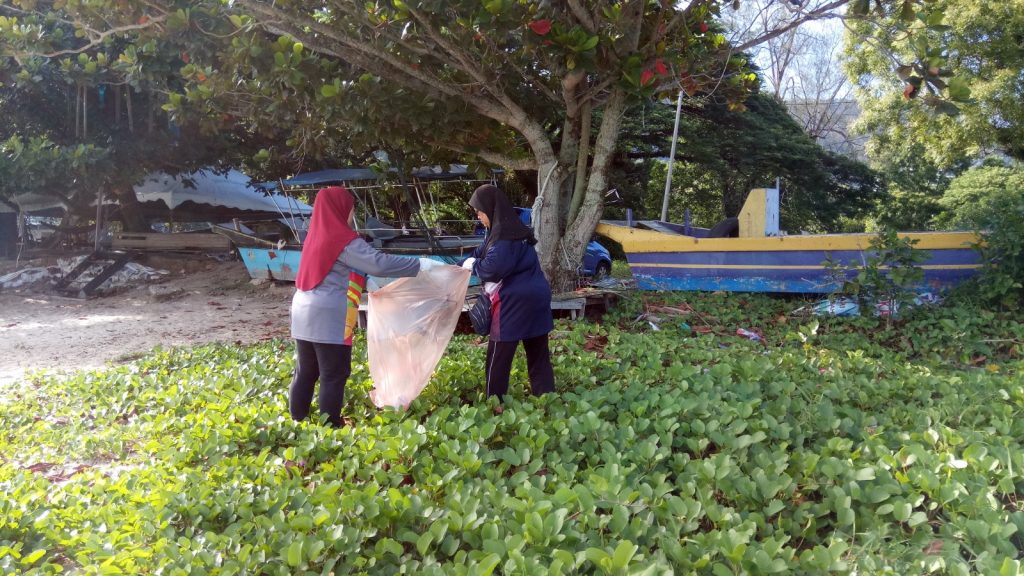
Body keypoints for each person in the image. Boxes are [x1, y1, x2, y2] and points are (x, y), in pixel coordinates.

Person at [290, 185, 439, 426]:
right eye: (350, 209)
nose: (352, 215)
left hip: (301, 309)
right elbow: (378, 263)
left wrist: (370, 283)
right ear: (341, 209)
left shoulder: (314, 236)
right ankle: (330, 427)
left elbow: (336, 270)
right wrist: (419, 265)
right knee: (334, 373)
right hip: (328, 314)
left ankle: (297, 420)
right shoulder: (342, 238)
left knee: (306, 370)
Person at [462, 184, 555, 401]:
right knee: (538, 353)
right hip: (537, 297)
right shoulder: (511, 230)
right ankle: (547, 399)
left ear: (491, 209)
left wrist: (472, 266)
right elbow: (479, 253)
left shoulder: (503, 237)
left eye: (479, 211)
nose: (478, 216)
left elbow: (492, 269)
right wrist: (456, 266)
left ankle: (494, 402)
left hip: (514, 301)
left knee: (499, 355)